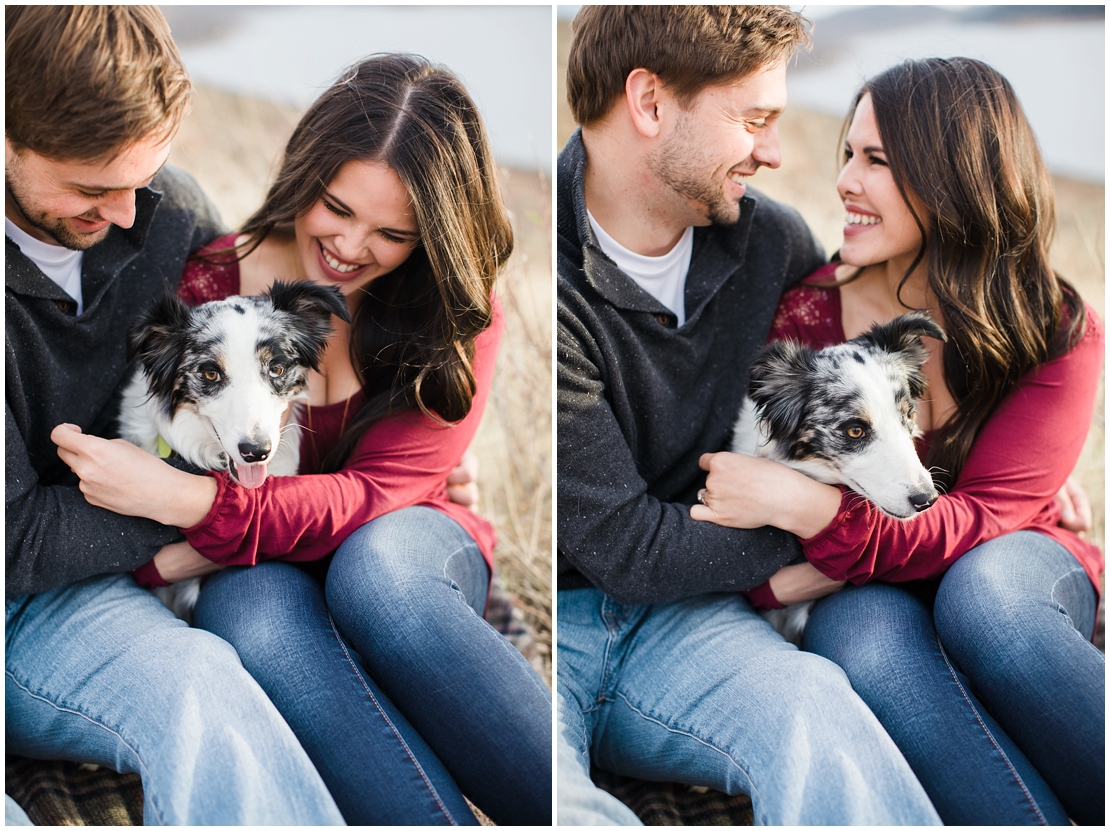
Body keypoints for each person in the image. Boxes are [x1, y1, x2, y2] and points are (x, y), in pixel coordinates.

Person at [53, 54, 552, 825]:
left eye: (393, 232)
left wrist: (194, 503)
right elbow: (142, 479)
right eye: (335, 206)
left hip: (400, 545)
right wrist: (191, 531)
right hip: (253, 568)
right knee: (253, 612)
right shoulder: (211, 295)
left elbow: (376, 499)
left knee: (378, 573)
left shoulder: (454, 310)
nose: (351, 246)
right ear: (304, 174)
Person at [556, 6, 941, 825]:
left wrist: (1004, 480)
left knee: (816, 710)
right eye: (755, 119)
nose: (773, 151)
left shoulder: (774, 245)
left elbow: (866, 394)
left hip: (704, 626)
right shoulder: (543, 279)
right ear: (650, 103)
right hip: (565, 626)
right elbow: (626, 549)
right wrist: (813, 525)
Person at [694, 58, 1104, 825]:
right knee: (861, 639)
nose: (845, 179)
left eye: (876, 160)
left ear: (954, 177)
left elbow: (981, 524)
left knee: (987, 600)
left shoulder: (1054, 330)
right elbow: (735, 512)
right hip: (867, 593)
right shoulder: (806, 324)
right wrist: (779, 576)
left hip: (1003, 570)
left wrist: (815, 512)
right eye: (849, 153)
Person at [5, 6, 344, 824]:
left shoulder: (172, 210)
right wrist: (186, 507)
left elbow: (251, 363)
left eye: (140, 179)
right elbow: (13, 539)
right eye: (92, 188)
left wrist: (375, 449)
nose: (126, 215)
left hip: (77, 595)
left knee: (203, 687)